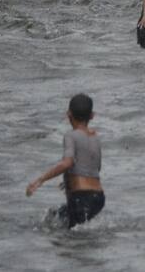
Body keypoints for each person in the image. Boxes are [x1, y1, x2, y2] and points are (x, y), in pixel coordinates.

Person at [26, 94, 105, 229]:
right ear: (92, 115)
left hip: (82, 197)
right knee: (55, 217)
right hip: (99, 198)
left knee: (62, 239)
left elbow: (67, 163)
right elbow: (96, 168)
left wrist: (40, 180)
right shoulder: (95, 137)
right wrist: (69, 180)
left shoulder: (71, 135)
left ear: (69, 114)